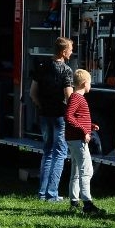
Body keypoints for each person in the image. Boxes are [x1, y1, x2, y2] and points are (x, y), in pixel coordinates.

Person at [30, 37, 74, 202]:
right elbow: (69, 96)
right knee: (60, 153)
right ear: (63, 52)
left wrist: (41, 105)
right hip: (59, 115)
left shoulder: (42, 66)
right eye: (70, 49)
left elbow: (32, 93)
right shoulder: (66, 70)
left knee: (47, 151)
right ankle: (52, 193)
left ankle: (42, 193)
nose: (71, 52)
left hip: (44, 114)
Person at [64, 69, 104, 215]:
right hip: (78, 140)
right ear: (84, 83)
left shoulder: (76, 97)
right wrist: (84, 131)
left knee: (76, 170)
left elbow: (77, 117)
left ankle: (74, 201)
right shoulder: (77, 98)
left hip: (74, 139)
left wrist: (90, 126)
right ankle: (87, 204)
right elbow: (69, 116)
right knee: (86, 170)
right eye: (90, 83)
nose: (90, 86)